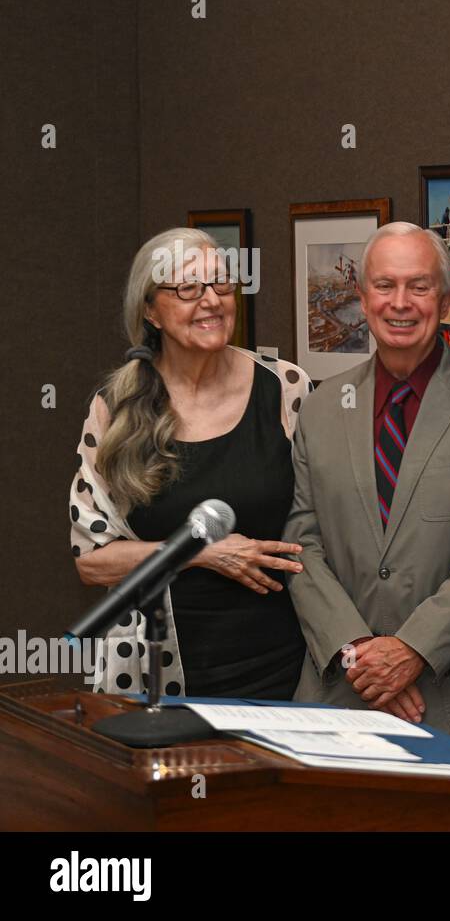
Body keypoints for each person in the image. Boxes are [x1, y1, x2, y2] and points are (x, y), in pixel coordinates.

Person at [285, 222, 450, 758]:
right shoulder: (321, 408)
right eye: (385, 285)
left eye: (418, 287)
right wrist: (359, 652)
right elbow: (300, 544)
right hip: (341, 698)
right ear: (362, 295)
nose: (400, 303)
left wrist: (412, 649)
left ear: (445, 300)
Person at [70, 227, 309, 698]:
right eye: (187, 289)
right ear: (149, 309)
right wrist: (202, 554)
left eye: (221, 284)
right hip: (157, 674)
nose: (211, 301)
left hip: (284, 665)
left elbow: (327, 527)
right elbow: (93, 562)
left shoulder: (286, 387)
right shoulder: (114, 408)